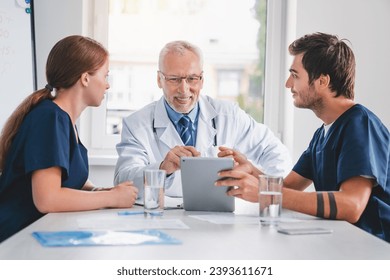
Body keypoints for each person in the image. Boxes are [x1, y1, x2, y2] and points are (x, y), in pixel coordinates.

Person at [216, 32, 390, 242]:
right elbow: (287, 189)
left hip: (377, 250)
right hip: (347, 244)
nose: (288, 84)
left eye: (295, 75)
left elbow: (351, 205)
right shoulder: (322, 134)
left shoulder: (360, 124)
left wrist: (264, 191)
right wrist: (250, 170)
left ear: (322, 81)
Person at [0, 35, 138, 243]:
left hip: (37, 234)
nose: (107, 85)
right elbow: (47, 199)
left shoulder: (62, 119)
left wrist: (100, 190)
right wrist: (112, 198)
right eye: (105, 76)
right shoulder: (50, 118)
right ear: (85, 78)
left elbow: (71, 178)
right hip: (15, 240)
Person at [114, 40, 291, 201]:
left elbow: (276, 153)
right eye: (174, 79)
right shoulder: (136, 124)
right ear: (159, 80)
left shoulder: (229, 115)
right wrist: (162, 168)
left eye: (192, 79)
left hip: (218, 218)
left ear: (202, 79)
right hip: (164, 217)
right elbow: (123, 181)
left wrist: (269, 193)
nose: (184, 90)